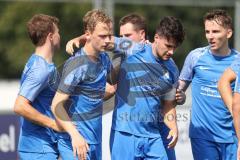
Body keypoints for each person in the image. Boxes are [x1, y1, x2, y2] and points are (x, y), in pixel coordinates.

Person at [66, 13, 185, 160]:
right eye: (168, 46)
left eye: (175, 47)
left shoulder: (172, 69)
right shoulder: (132, 48)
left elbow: (168, 105)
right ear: (156, 38)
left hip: (152, 136)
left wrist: (173, 126)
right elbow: (102, 39)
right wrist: (79, 39)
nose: (171, 52)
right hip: (124, 135)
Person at [51, 9, 114, 160]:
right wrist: (75, 135)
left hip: (95, 142)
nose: (107, 40)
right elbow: (56, 105)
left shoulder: (104, 59)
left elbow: (109, 89)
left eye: (109, 36)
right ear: (88, 34)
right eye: (102, 36)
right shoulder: (76, 64)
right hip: (75, 143)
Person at [178, 9, 238, 160]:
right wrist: (179, 96)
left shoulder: (238, 61)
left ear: (228, 33)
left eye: (216, 31)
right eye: (207, 31)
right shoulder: (195, 56)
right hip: (203, 135)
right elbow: (178, 89)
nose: (210, 36)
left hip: (231, 136)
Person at [13, 14, 62, 160]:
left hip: (41, 147)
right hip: (38, 149)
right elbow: (20, 106)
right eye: (58, 32)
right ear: (51, 36)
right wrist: (53, 124)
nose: (60, 36)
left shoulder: (37, 62)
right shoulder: (41, 69)